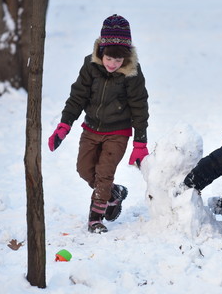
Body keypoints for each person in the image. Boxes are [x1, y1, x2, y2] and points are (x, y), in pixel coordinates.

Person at [48, 14, 150, 234]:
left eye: (118, 60)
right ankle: (114, 194)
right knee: (84, 170)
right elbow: (77, 97)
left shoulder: (132, 73)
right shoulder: (90, 66)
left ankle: (95, 218)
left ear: (127, 57)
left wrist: (140, 143)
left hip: (118, 132)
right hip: (91, 129)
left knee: (104, 174)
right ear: (101, 51)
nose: (113, 64)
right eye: (109, 58)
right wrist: (64, 126)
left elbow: (140, 107)